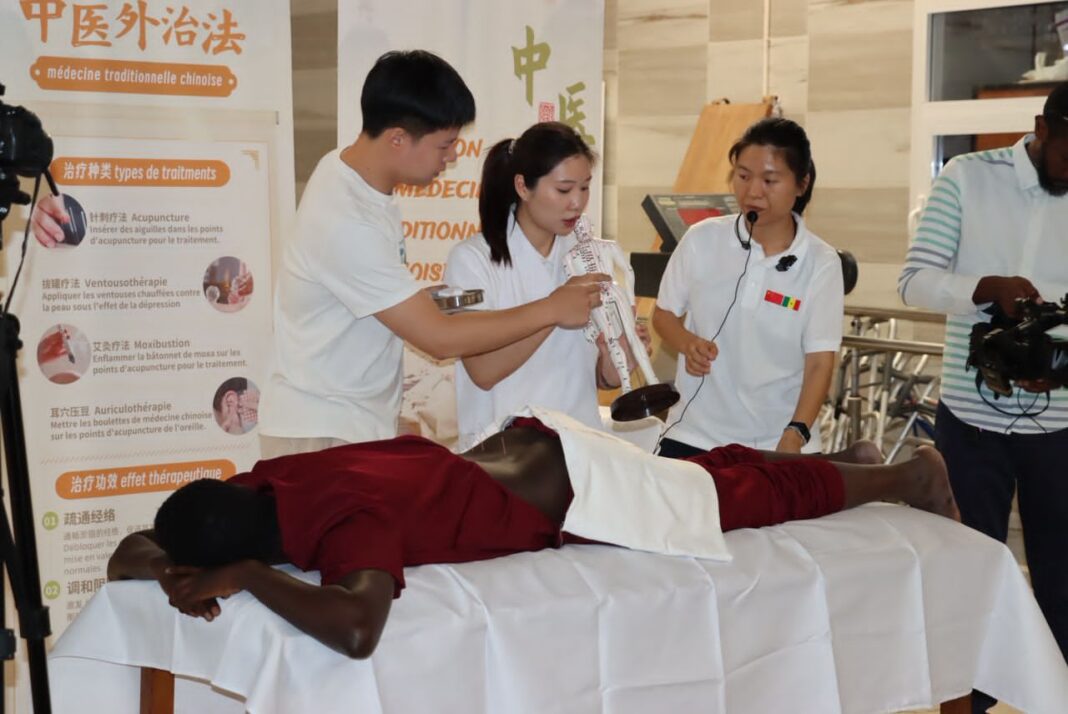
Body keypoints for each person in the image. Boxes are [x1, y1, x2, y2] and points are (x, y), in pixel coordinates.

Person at [29, 51, 604, 458]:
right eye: (444, 145)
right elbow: (438, 340)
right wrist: (551, 308)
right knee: (326, 589)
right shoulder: (347, 217)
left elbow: (385, 305)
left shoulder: (356, 177)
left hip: (349, 425)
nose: (452, 158)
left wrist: (418, 299)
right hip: (322, 433)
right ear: (397, 138)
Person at [106, 417, 958, 660]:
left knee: (740, 498)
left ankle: (905, 477)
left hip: (580, 492)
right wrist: (191, 565)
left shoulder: (347, 529)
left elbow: (359, 630)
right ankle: (853, 461)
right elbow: (129, 553)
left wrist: (249, 577)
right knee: (718, 474)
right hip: (527, 447)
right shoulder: (265, 481)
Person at [898, 82, 1068, 711]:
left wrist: (1062, 369)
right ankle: (967, 701)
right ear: (1043, 129)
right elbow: (914, 282)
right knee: (968, 577)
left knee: (1062, 581)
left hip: (1062, 425)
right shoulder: (967, 178)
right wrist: (984, 288)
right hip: (970, 421)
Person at [652, 118, 844, 458]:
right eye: (743, 176)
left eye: (770, 180)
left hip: (779, 443)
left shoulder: (821, 262)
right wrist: (687, 343)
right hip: (694, 435)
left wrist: (796, 432)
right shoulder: (701, 239)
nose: (753, 191)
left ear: (801, 184)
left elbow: (819, 361)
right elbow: (664, 315)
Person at [445, 122, 643, 450]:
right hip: (504, 453)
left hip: (580, 447)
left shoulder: (586, 255)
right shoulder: (472, 259)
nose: (577, 203)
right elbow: (483, 371)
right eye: (564, 190)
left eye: (585, 188)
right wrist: (553, 311)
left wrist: (617, 357)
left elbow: (598, 379)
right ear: (523, 187)